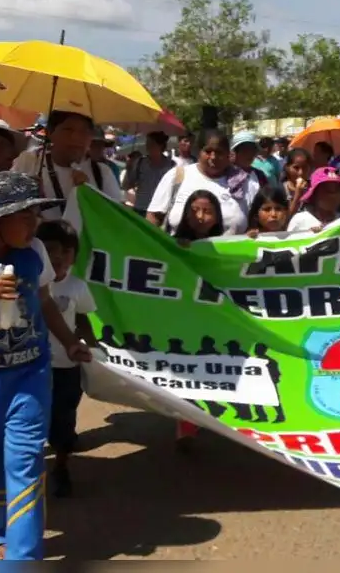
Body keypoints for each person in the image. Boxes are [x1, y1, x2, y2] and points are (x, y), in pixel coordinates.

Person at [0, 171, 92, 560]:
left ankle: (23, 556)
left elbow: (44, 302)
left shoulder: (36, 253)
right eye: (25, 216)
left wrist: (70, 342)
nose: (35, 224)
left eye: (34, 215)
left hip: (31, 373)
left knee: (25, 461)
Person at [36, 220, 98, 498]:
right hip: (34, 366)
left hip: (66, 367)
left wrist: (95, 350)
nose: (58, 257)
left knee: (64, 418)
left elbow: (83, 320)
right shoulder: (29, 285)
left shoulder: (77, 286)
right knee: (35, 419)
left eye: (66, 252)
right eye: (50, 250)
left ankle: (61, 465)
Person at [172, 190, 225, 448]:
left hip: (215, 319)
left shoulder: (227, 247)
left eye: (207, 211)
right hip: (184, 320)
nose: (201, 217)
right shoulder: (169, 243)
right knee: (187, 371)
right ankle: (186, 426)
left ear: (217, 217)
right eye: (194, 211)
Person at [12, 111, 122, 221]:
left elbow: (115, 219)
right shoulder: (30, 162)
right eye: (68, 129)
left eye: (84, 131)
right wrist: (28, 194)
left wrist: (90, 195)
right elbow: (7, 207)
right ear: (50, 132)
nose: (76, 137)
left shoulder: (102, 173)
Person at [146, 129, 259, 236]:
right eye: (208, 151)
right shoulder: (177, 176)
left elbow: (258, 222)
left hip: (232, 255)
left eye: (219, 152)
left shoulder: (245, 182)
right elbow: (154, 218)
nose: (213, 157)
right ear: (199, 152)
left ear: (228, 154)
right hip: (179, 254)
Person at [122, 132, 175, 217]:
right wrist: (129, 168)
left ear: (161, 146)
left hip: (159, 211)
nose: (148, 147)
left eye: (151, 144)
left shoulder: (171, 165)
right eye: (147, 143)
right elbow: (127, 185)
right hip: (140, 208)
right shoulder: (140, 162)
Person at [287, 167, 340, 233]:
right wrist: (310, 237)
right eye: (327, 190)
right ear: (314, 195)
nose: (332, 195)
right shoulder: (300, 220)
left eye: (336, 190)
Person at [280, 147, 311, 214]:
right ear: (287, 168)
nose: (301, 173)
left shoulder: (313, 189)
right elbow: (285, 219)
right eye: (296, 168)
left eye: (305, 167)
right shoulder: (279, 190)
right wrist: (298, 194)